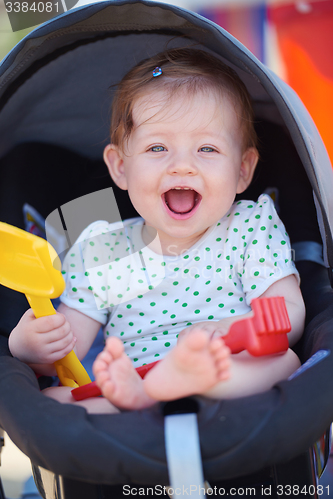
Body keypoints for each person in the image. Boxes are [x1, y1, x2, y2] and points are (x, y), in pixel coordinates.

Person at [8, 48, 305, 414]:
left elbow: (289, 315)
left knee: (286, 361)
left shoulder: (249, 227)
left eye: (207, 148)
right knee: (52, 400)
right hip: (131, 381)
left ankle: (186, 384)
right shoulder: (103, 248)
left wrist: (231, 328)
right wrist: (31, 345)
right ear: (120, 167)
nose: (182, 166)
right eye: (158, 147)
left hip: (225, 369)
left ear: (243, 170)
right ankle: (151, 394)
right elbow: (66, 350)